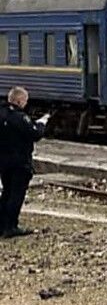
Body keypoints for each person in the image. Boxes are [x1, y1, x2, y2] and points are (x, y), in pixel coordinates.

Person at [0, 87, 49, 237]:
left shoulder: (1, 113)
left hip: (3, 162)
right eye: (25, 102)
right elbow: (35, 133)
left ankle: (1, 225)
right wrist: (41, 123)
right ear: (20, 101)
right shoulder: (19, 117)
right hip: (19, 162)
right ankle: (11, 227)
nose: (26, 105)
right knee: (16, 195)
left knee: (6, 192)